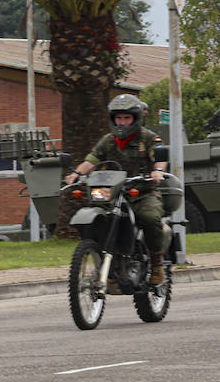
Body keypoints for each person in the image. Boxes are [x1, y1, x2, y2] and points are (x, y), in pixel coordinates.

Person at [64, 93, 170, 284]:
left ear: (136, 118)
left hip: (141, 192)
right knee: (99, 217)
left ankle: (157, 264)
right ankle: (109, 263)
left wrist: (158, 172)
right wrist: (76, 174)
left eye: (126, 118)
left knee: (150, 217)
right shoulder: (108, 140)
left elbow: (160, 159)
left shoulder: (148, 138)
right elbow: (92, 159)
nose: (122, 122)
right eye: (118, 118)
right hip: (112, 193)